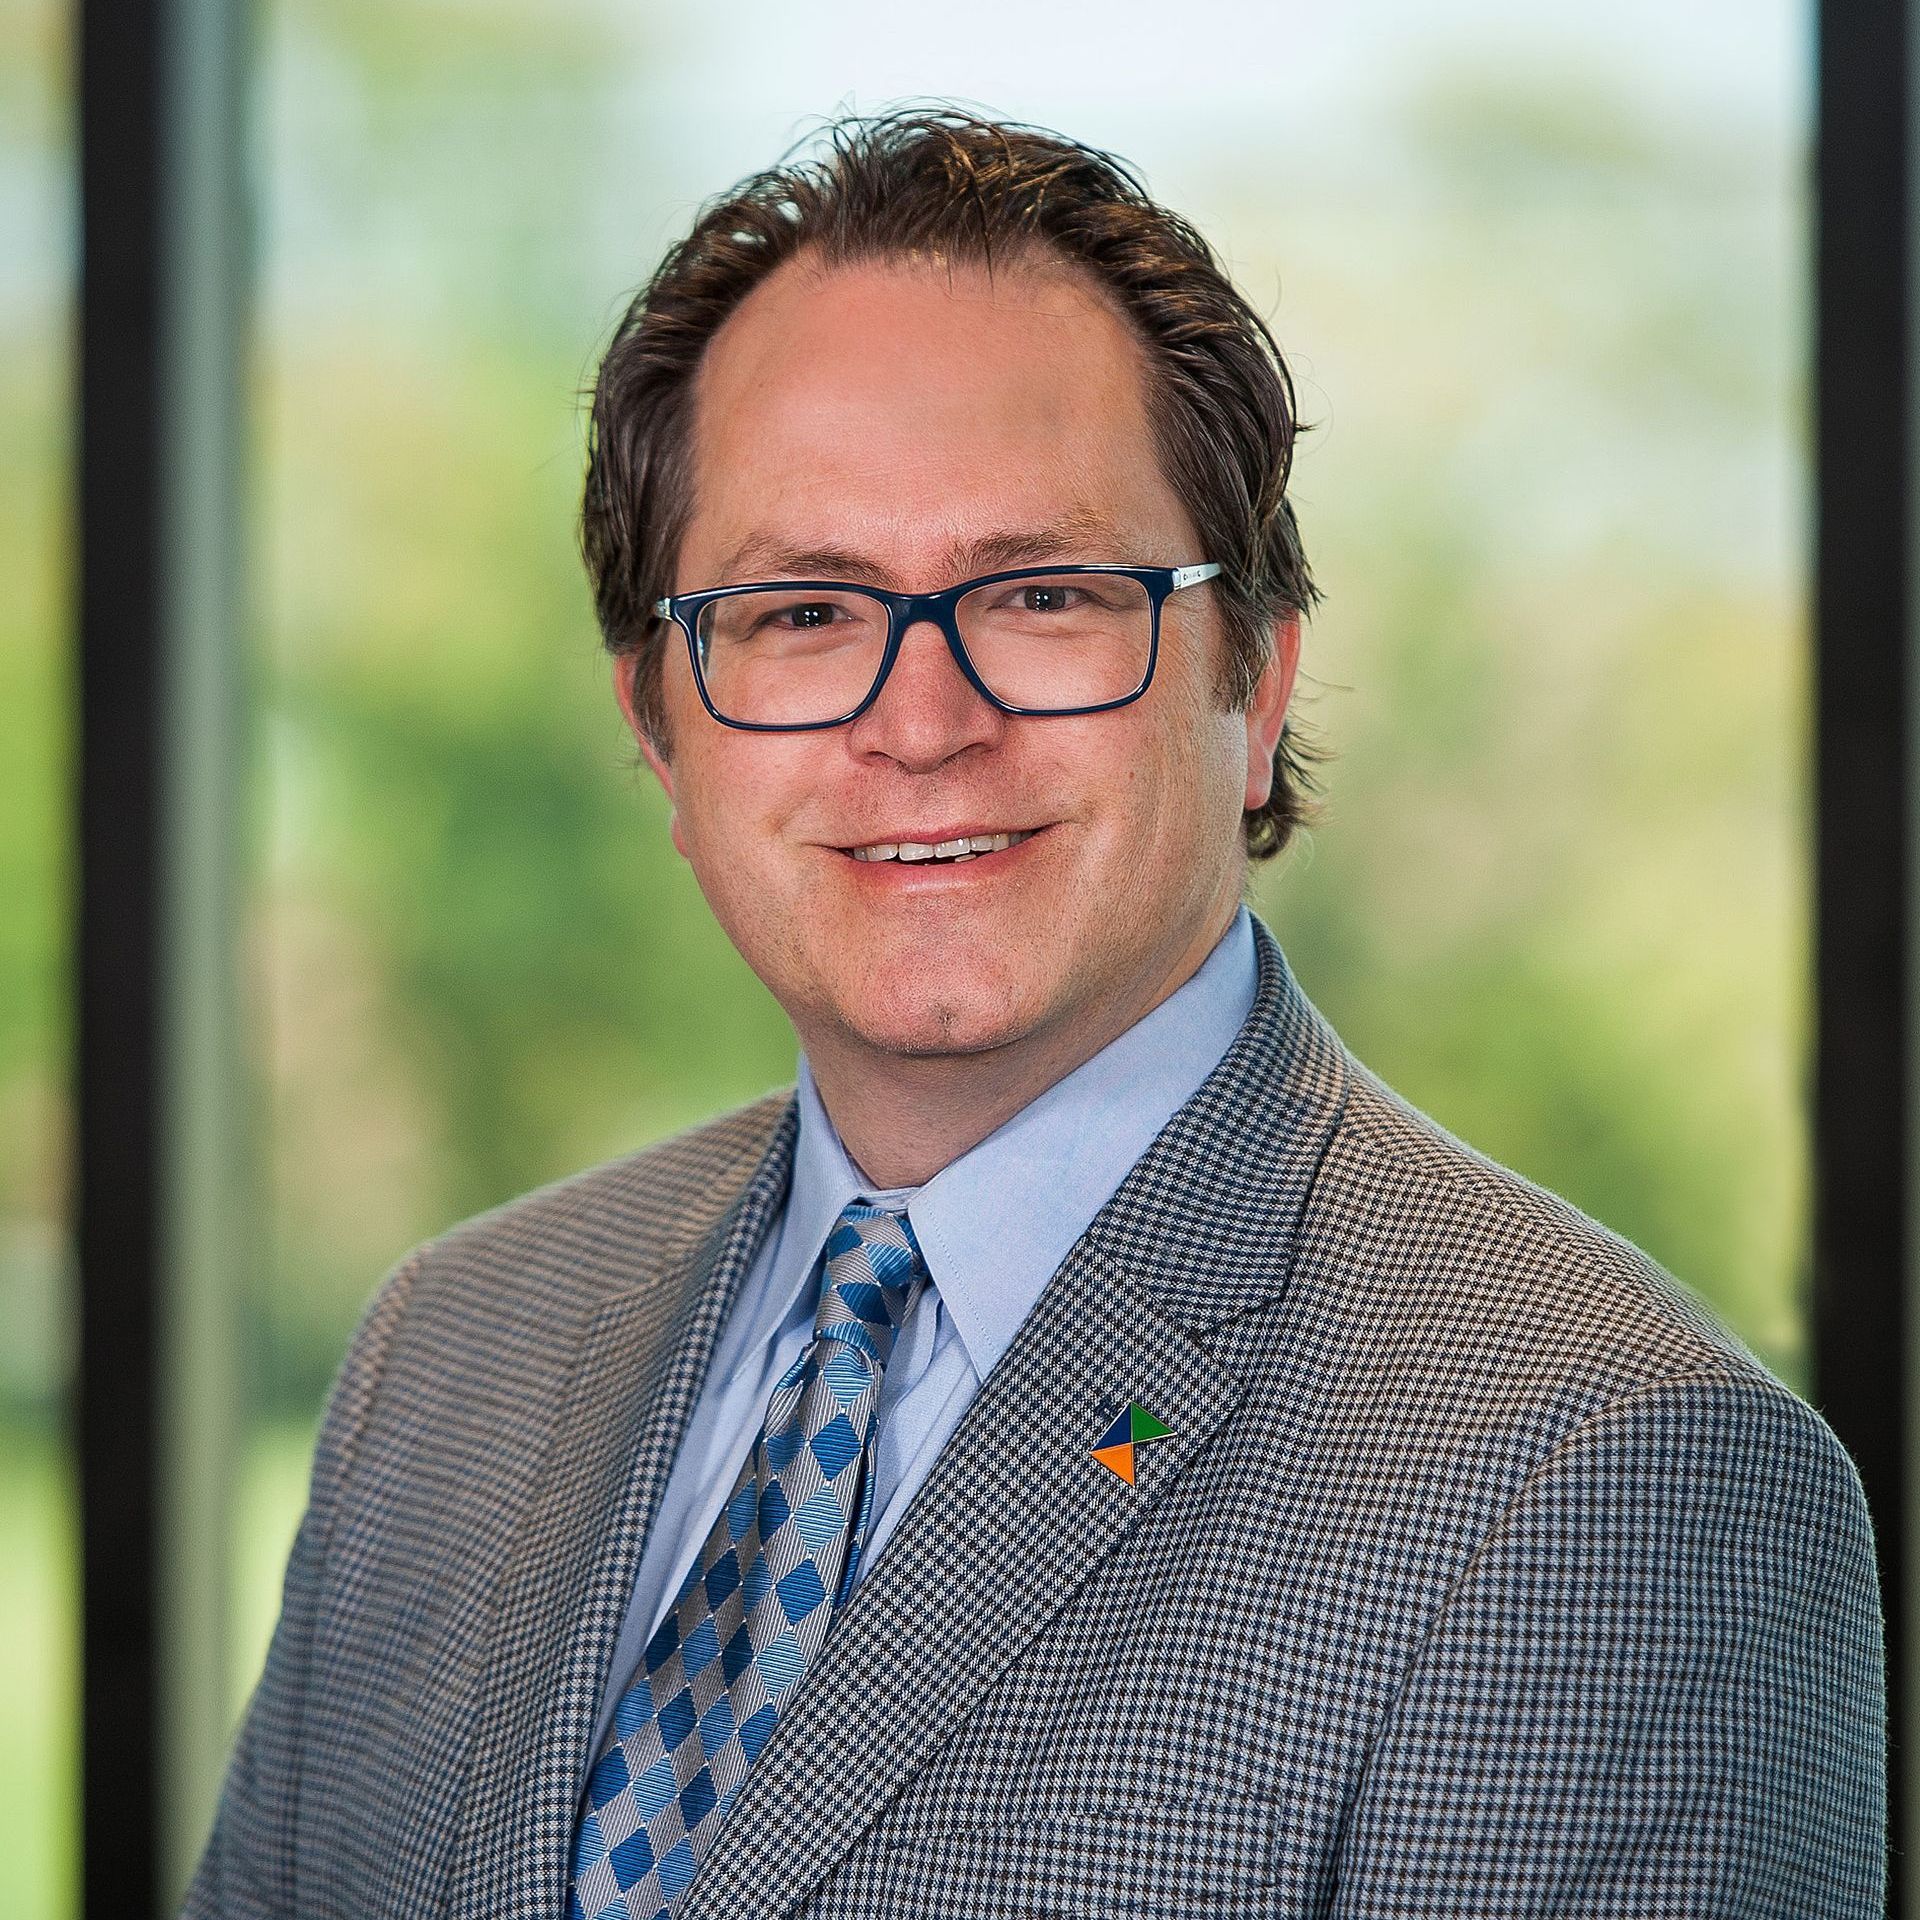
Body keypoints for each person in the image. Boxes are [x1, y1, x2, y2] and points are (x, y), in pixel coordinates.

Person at [185, 111, 1884, 1920]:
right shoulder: (450, 1361)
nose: (921, 721)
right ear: (661, 724)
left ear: (1254, 676)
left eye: (1045, 595)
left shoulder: (1611, 1485)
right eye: (802, 611)